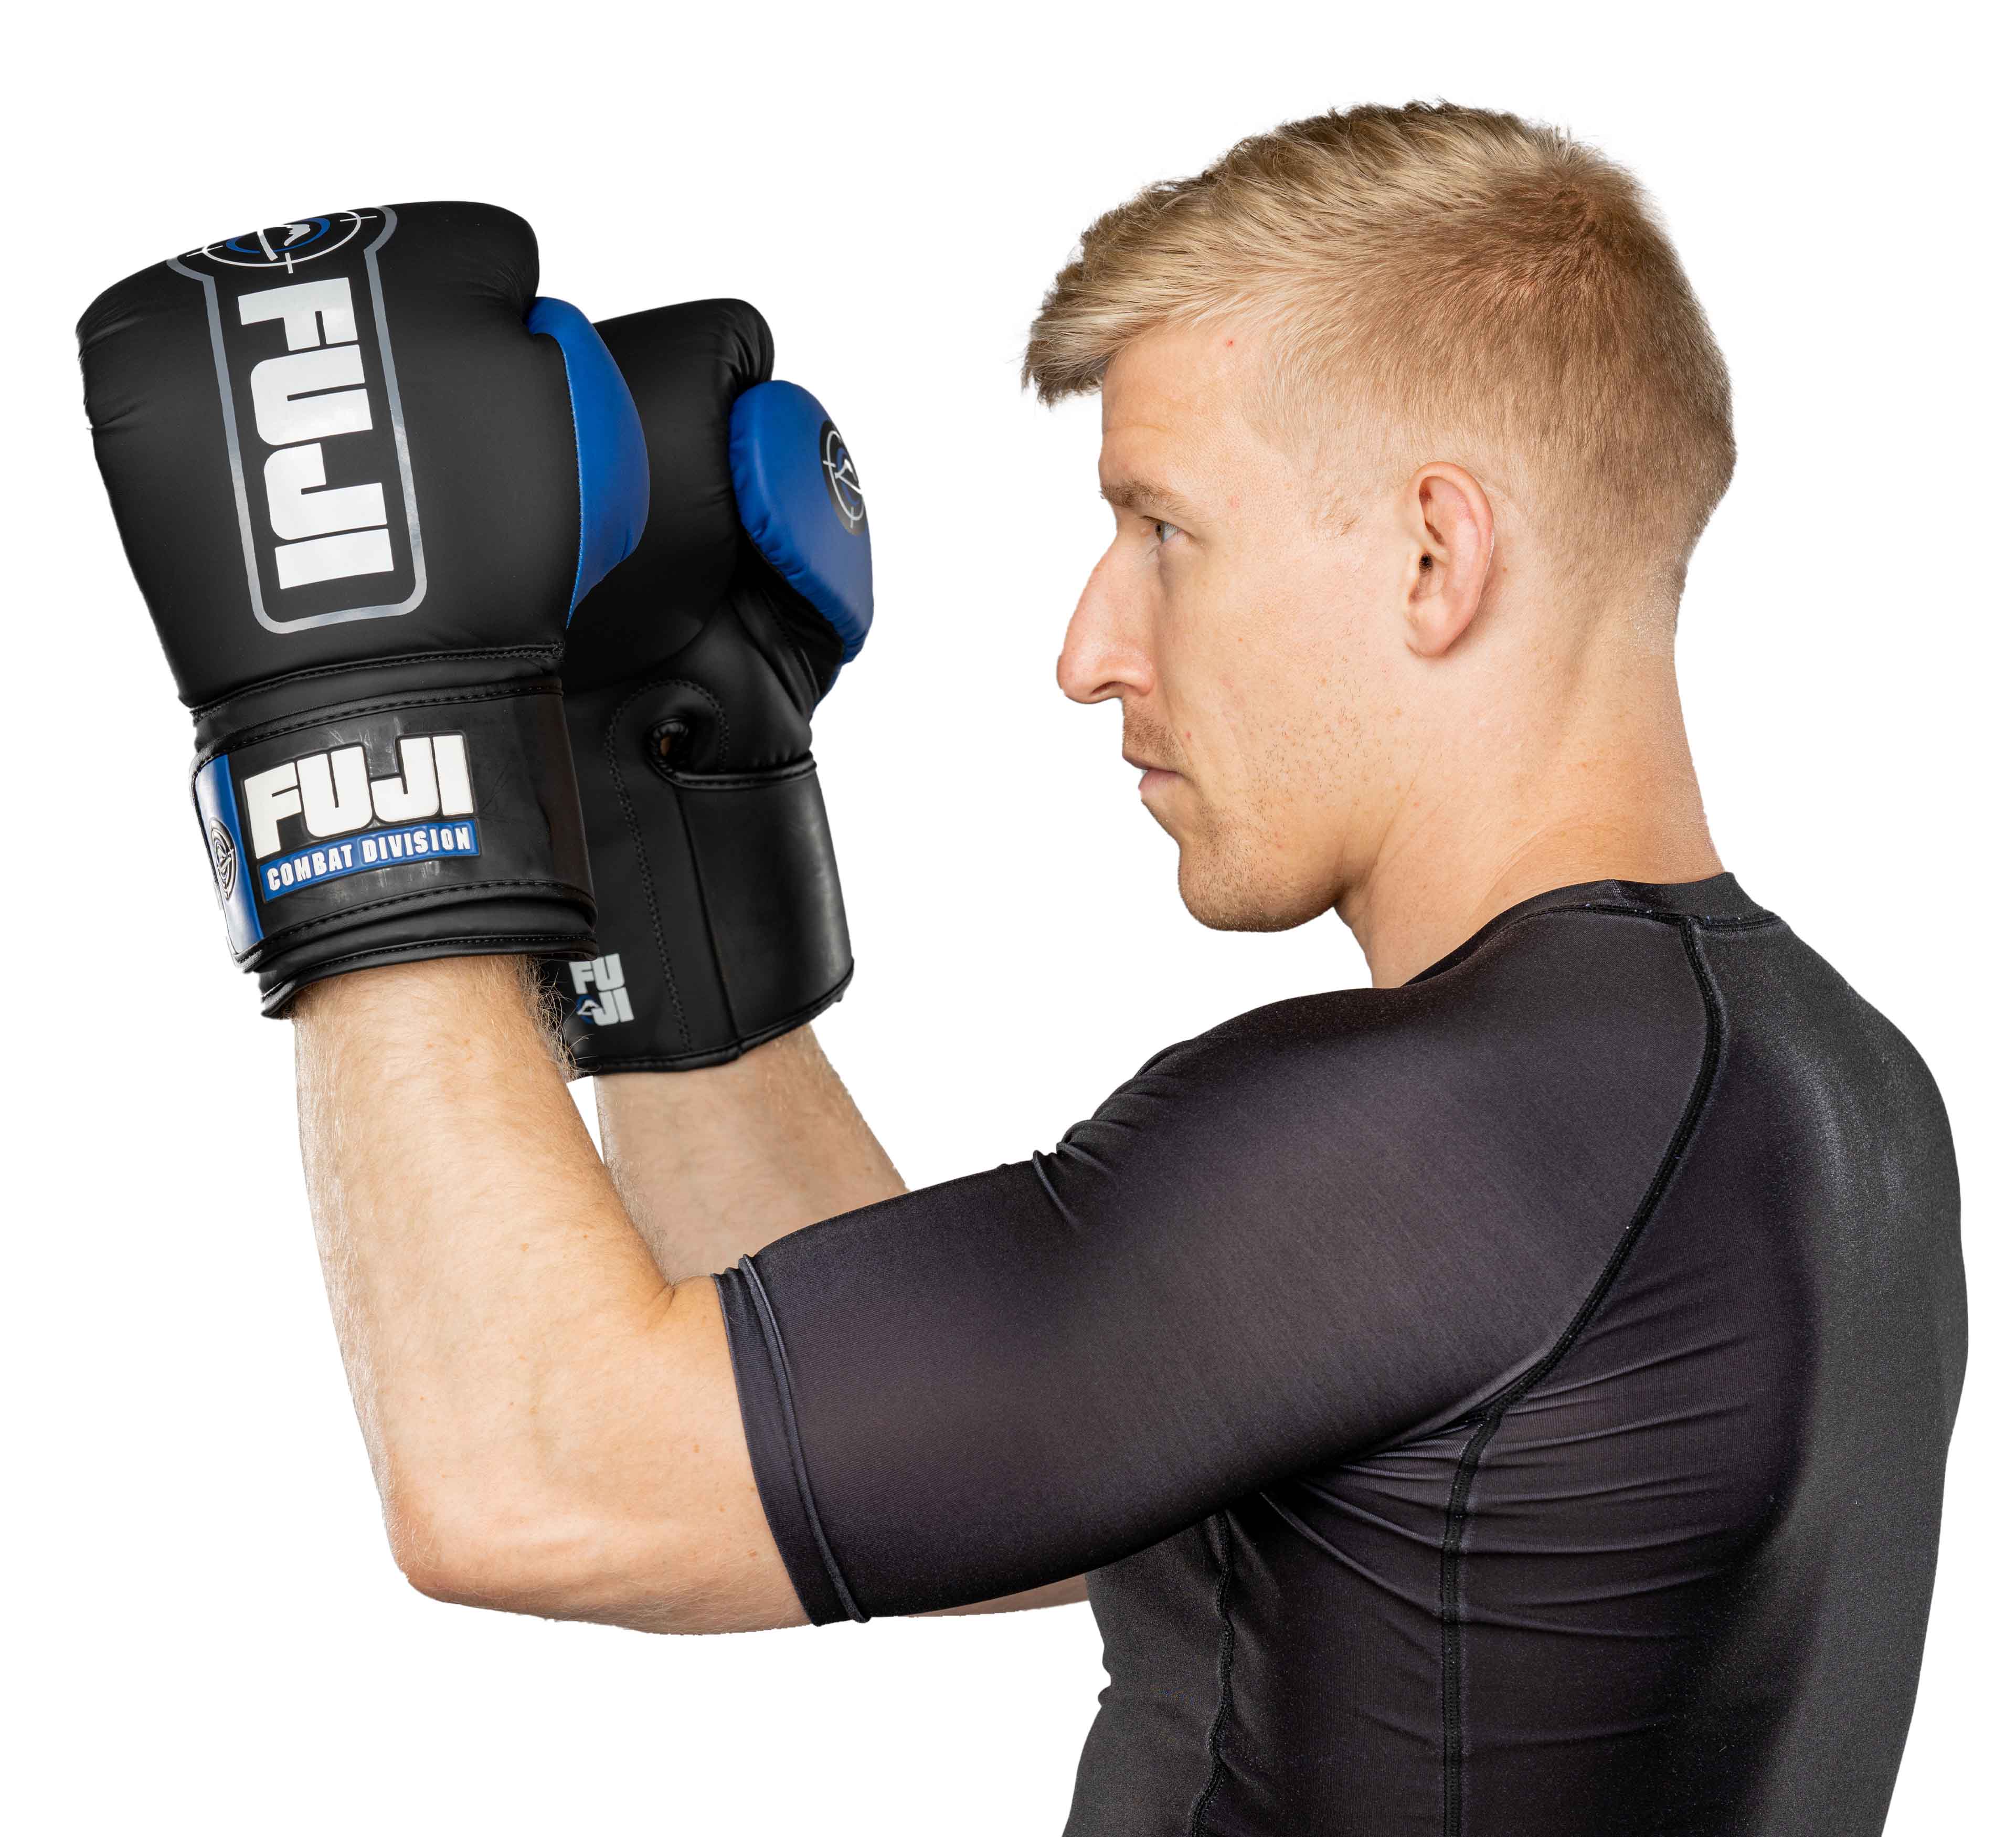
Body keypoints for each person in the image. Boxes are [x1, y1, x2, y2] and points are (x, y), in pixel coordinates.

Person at [80, 105, 1966, 1836]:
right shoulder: (1813, 1083)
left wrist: (362, 703)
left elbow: (529, 1480)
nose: (1088, 649)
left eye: (1163, 528)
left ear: (1431, 554)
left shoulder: (1444, 1129)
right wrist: (658, 800)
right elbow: (998, 1452)